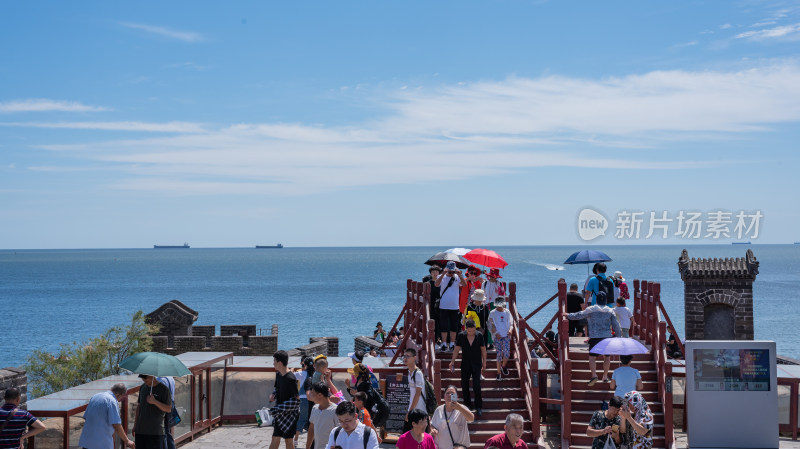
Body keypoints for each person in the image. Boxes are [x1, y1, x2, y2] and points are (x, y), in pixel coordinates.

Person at [565, 291, 621, 386]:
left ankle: (594, 375)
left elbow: (579, 315)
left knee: (592, 357)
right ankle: (605, 376)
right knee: (607, 357)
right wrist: (619, 337)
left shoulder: (591, 309)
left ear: (596, 300)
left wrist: (567, 315)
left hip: (595, 336)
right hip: (606, 336)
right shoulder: (610, 310)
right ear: (606, 300)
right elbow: (616, 325)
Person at [78, 383, 135, 449]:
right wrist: (127, 441)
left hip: (87, 441)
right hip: (101, 443)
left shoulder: (95, 396)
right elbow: (116, 425)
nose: (119, 400)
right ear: (119, 395)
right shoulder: (112, 401)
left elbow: (86, 417)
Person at [449, 319, 486, 416]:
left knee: (476, 385)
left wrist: (484, 362)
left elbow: (483, 349)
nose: (471, 333)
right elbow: (457, 349)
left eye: (473, 330)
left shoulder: (479, 336)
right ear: (466, 329)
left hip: (477, 363)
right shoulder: (461, 335)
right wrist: (452, 361)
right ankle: (468, 405)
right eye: (469, 331)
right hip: (465, 363)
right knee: (464, 384)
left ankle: (478, 406)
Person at [269, 350, 300, 449]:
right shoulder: (278, 375)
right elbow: (277, 389)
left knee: (288, 440)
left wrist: (278, 408)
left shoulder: (291, 378)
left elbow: (296, 400)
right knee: (275, 438)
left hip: (290, 415)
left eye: (274, 361)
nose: (273, 363)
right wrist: (273, 395)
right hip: (280, 413)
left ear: (280, 363)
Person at [133, 374, 172, 449]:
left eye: (146, 378)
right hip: (141, 431)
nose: (144, 380)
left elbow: (168, 409)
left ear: (152, 376)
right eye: (142, 379)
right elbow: (139, 406)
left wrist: (155, 402)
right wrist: (135, 425)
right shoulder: (142, 388)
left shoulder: (164, 389)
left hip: (156, 432)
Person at [436, 261, 467, 352]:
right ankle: (444, 343)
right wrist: (443, 274)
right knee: (444, 325)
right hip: (444, 306)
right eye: (449, 272)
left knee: (454, 326)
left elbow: (464, 285)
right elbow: (436, 284)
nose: (451, 274)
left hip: (454, 306)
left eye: (452, 272)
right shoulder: (442, 277)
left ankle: (452, 343)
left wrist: (460, 275)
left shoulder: (457, 277)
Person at [487, 296, 514, 380]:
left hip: (506, 336)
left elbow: (511, 324)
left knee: (507, 354)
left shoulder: (507, 312)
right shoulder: (492, 312)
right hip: (497, 337)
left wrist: (510, 330)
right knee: (499, 355)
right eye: (498, 305)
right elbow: (489, 324)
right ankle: (498, 373)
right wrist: (494, 332)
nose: (499, 306)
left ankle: (503, 366)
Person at [402, 347, 426, 432]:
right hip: (413, 409)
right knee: (406, 438)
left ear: (414, 358)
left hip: (419, 411)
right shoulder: (409, 372)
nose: (405, 358)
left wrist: (410, 411)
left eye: (408, 356)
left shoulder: (418, 373)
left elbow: (418, 393)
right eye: (404, 356)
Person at [306, 382, 337, 449]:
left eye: (312, 393)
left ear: (320, 395)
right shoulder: (315, 408)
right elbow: (311, 429)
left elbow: (340, 432)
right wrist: (307, 447)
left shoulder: (335, 410)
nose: (310, 395)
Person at [482, 269, 505, 349]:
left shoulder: (499, 284)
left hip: (496, 305)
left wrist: (502, 308)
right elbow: (482, 294)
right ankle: (490, 342)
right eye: (491, 276)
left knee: (497, 323)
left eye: (493, 276)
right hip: (486, 305)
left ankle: (498, 342)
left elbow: (502, 296)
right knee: (488, 324)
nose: (492, 278)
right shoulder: (485, 283)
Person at [156, 376, 176, 449]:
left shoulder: (160, 380)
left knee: (164, 432)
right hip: (171, 405)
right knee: (167, 429)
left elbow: (160, 396)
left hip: (163, 407)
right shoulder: (171, 378)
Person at [297, 357, 315, 437]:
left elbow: (291, 376)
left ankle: (296, 438)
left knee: (302, 418)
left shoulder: (302, 373)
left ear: (305, 365)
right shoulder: (315, 374)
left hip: (304, 398)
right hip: (314, 398)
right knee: (311, 419)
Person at [423, 266, 442, 342]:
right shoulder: (428, 283)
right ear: (430, 273)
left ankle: (438, 338)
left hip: (440, 305)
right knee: (431, 320)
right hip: (431, 305)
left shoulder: (442, 283)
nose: (435, 274)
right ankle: (432, 338)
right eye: (433, 272)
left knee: (440, 322)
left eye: (437, 272)